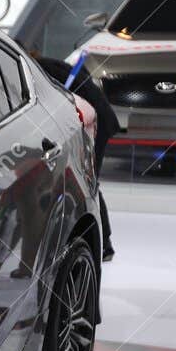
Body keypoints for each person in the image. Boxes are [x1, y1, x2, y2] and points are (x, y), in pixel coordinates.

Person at [34, 52, 120, 260]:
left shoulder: (39, 71)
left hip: (94, 121)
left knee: (89, 181)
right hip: (99, 116)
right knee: (89, 180)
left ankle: (105, 244)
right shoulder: (51, 63)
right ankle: (103, 243)